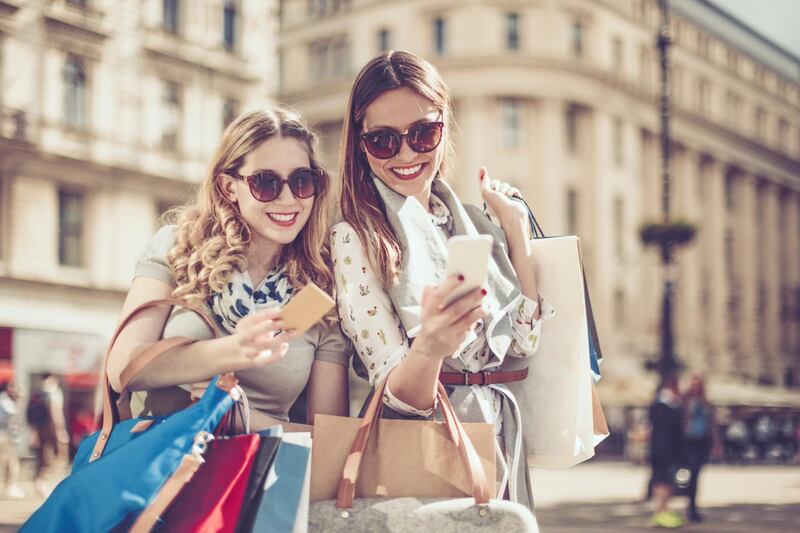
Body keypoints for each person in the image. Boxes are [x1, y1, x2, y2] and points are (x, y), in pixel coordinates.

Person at [331, 50, 555, 510]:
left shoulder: (470, 222)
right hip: (424, 447)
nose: (407, 154)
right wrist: (431, 344)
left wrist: (514, 231)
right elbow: (396, 392)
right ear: (359, 143)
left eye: (423, 133)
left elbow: (524, 343)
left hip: (499, 433)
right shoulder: (354, 236)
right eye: (383, 141)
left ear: (444, 127)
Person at [106, 107, 351, 432]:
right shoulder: (176, 247)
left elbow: (331, 438)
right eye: (266, 183)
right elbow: (122, 368)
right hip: (162, 470)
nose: (288, 198)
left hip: (263, 476)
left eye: (301, 181)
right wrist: (236, 350)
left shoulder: (320, 287)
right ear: (228, 186)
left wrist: (242, 420)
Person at [681, 375, 720, 522]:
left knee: (696, 475)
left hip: (702, 442)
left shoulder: (706, 403)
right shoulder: (684, 401)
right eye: (693, 385)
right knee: (692, 474)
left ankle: (692, 507)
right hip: (688, 442)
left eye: (698, 385)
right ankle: (689, 506)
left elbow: (712, 425)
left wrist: (716, 444)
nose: (695, 388)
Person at [648, 375, 685, 528]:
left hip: (660, 450)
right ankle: (661, 512)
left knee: (662, 481)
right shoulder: (665, 406)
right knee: (664, 482)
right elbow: (671, 430)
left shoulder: (658, 405)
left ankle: (662, 510)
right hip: (665, 451)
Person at [0, 381, 24, 498]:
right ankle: (10, 487)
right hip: (5, 437)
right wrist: (20, 400)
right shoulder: (5, 401)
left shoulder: (6, 401)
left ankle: (9, 487)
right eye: (12, 387)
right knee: (12, 463)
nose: (15, 390)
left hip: (6, 437)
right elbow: (12, 419)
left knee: (9, 463)